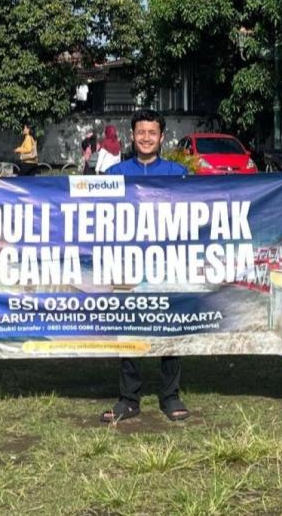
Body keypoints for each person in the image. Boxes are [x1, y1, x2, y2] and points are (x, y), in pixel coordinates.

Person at [100, 109, 189, 423]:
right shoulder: (114, 174)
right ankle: (129, 398)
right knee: (128, 326)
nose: (147, 138)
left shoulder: (178, 173)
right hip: (125, 262)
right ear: (132, 136)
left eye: (153, 133)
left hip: (168, 262)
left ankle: (170, 396)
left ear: (162, 136)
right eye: (141, 132)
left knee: (170, 327)